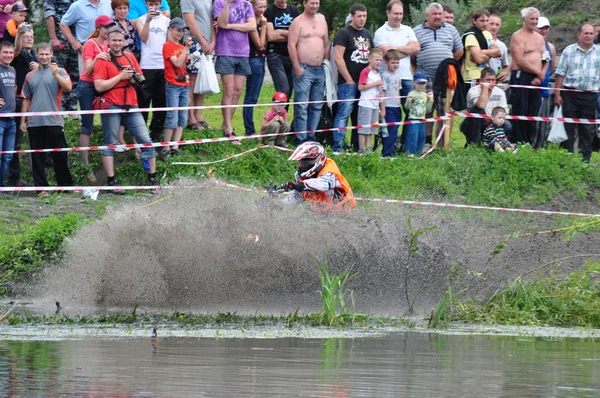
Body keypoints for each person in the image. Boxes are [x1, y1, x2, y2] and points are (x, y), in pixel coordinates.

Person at [93, 27, 158, 191]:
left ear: (124, 42)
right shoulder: (103, 59)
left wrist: (134, 78)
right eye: (114, 40)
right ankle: (111, 180)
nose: (117, 43)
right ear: (108, 41)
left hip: (131, 103)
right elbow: (99, 86)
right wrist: (120, 77)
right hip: (111, 103)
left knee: (146, 139)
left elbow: (140, 78)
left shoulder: (129, 57)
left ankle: (152, 178)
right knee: (110, 142)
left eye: (120, 40)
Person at [20, 43, 74, 197]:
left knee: (59, 155)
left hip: (54, 120)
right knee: (37, 157)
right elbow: (26, 99)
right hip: (35, 122)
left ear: (51, 54)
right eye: (41, 54)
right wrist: (23, 121)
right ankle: (41, 189)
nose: (44, 57)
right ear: (37, 54)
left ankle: (65, 186)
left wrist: (56, 74)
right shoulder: (30, 75)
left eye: (47, 54)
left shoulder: (61, 71)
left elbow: (68, 87)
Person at [413, 2, 463, 145]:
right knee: (426, 111)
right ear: (427, 15)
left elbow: (459, 52)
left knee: (445, 111)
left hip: (446, 78)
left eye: (440, 14)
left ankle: (442, 143)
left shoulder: (451, 30)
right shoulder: (416, 31)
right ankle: (426, 142)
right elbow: (412, 55)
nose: (437, 17)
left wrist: (445, 64)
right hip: (425, 77)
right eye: (434, 14)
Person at [554, 24, 600, 162]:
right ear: (578, 34)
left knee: (587, 129)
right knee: (568, 126)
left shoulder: (598, 53)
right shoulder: (569, 51)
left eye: (591, 33)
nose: (588, 36)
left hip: (590, 96)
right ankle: (566, 158)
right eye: (585, 33)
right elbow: (560, 74)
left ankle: (584, 159)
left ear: (595, 35)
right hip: (570, 94)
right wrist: (557, 94)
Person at [332, 3, 373, 154]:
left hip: (364, 84)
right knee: (344, 114)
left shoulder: (367, 34)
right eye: (359, 16)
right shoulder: (344, 33)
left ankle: (358, 147)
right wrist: (348, 79)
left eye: (364, 16)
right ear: (352, 16)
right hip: (348, 83)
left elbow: (371, 57)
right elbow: (338, 57)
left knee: (359, 116)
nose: (362, 19)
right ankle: (338, 147)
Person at [214, 0, 256, 144]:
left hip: (243, 52)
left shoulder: (247, 4)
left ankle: (226, 125)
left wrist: (230, 26)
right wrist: (227, 4)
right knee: (229, 90)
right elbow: (221, 22)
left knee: (238, 90)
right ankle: (229, 130)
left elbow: (252, 25)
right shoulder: (219, 3)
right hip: (226, 51)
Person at [79, 15, 115, 184]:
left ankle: (109, 157)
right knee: (87, 124)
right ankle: (85, 164)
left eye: (110, 27)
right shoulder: (90, 44)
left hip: (102, 84)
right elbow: (87, 70)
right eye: (106, 27)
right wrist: (99, 57)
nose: (108, 30)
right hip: (87, 86)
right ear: (99, 28)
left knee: (108, 117)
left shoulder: (108, 44)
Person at [288, 0, 329, 144]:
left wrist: (326, 63)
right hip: (303, 68)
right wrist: (297, 66)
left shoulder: (322, 19)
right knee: (302, 106)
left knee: (317, 106)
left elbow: (326, 43)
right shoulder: (297, 22)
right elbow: (291, 45)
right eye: (312, 3)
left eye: (317, 3)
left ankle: (311, 138)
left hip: (320, 69)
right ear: (304, 3)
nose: (315, 6)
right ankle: (301, 139)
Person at [509, 7, 548, 144]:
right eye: (532, 19)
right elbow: (519, 60)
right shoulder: (517, 36)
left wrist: (540, 75)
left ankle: (529, 142)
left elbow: (546, 58)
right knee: (520, 109)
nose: (534, 21)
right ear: (524, 20)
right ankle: (518, 141)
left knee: (533, 109)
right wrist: (537, 72)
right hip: (522, 75)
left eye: (536, 19)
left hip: (536, 78)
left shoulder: (540, 38)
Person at [281, 141, 356, 213]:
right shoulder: (301, 176)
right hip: (321, 211)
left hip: (341, 212)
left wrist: (299, 185)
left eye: (306, 163)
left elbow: (321, 185)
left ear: (320, 160)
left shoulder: (330, 173)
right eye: (301, 162)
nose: (302, 166)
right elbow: (297, 196)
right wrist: (279, 207)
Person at [7, 25, 38, 187]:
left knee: (38, 142)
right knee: (16, 143)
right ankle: (13, 178)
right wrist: (19, 34)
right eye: (26, 36)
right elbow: (16, 49)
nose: (30, 39)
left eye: (31, 37)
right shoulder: (17, 55)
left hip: (35, 103)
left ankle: (40, 177)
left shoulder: (35, 55)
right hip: (19, 103)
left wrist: (40, 68)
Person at [134, 0, 168, 143]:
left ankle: (156, 132)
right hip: (147, 64)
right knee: (143, 100)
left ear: (160, 4)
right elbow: (144, 38)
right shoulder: (140, 20)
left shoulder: (167, 21)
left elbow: (169, 41)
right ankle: (141, 133)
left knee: (160, 101)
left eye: (155, 4)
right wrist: (148, 20)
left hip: (162, 64)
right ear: (146, 4)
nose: (153, 7)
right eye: (150, 4)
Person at [181, 0, 215, 130]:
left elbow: (211, 22)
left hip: (208, 43)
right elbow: (190, 23)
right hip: (194, 42)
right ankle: (190, 117)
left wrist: (213, 41)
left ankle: (198, 114)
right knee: (192, 79)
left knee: (202, 78)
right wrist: (202, 42)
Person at [162, 18, 191, 159]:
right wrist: (186, 48)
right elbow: (178, 63)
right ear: (171, 29)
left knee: (182, 117)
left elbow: (185, 66)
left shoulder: (180, 47)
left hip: (184, 85)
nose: (180, 33)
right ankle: (166, 146)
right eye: (178, 30)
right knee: (172, 116)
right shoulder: (167, 46)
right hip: (173, 85)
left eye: (182, 31)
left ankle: (176, 145)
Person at [59, 0, 114, 75]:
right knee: (87, 77)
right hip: (86, 49)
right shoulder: (77, 5)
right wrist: (73, 42)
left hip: (107, 48)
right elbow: (63, 24)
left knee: (106, 77)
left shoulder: (108, 3)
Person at [44, 0, 80, 114]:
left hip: (76, 40)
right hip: (60, 41)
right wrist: (53, 38)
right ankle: (59, 109)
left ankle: (73, 109)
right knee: (58, 74)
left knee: (75, 75)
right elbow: (49, 17)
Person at [374, 0, 419, 84]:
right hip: (388, 77)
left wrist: (396, 48)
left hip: (407, 77)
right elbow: (388, 55)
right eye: (396, 13)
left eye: (400, 14)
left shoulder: (408, 30)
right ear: (388, 13)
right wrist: (408, 50)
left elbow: (416, 48)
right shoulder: (380, 32)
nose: (398, 17)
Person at [462, 67, 509, 145]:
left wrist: (493, 118)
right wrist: (485, 89)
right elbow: (481, 105)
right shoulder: (473, 91)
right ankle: (474, 144)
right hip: (472, 122)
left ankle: (498, 143)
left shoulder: (500, 92)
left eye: (493, 80)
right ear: (481, 80)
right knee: (478, 110)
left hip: (493, 121)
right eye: (488, 80)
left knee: (507, 124)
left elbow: (505, 111)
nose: (491, 82)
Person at [265, 0, 300, 102]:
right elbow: (271, 36)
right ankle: (274, 114)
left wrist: (280, 32)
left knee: (289, 90)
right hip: (275, 54)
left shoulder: (294, 10)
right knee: (283, 89)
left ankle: (281, 116)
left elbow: (299, 34)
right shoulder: (269, 11)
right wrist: (291, 35)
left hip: (291, 55)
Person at [243, 0, 267, 136]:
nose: (263, 10)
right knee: (250, 97)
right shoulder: (253, 22)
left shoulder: (260, 18)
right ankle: (250, 130)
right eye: (260, 7)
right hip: (253, 59)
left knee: (254, 97)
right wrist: (263, 26)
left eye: (264, 6)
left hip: (260, 59)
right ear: (252, 6)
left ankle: (250, 129)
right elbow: (260, 44)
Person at [532, 16, 556, 148]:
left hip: (544, 89)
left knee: (542, 122)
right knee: (529, 119)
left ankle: (540, 147)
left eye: (546, 28)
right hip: (530, 87)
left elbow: (552, 68)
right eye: (541, 28)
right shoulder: (529, 43)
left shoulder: (550, 47)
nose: (544, 31)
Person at [462, 9, 500, 89]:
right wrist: (490, 53)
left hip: (486, 75)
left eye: (487, 20)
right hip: (473, 75)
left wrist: (483, 52)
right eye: (482, 21)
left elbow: (498, 53)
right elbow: (478, 59)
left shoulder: (487, 34)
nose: (485, 23)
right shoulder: (470, 35)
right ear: (474, 21)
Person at [356, 47, 384, 153]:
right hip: (366, 103)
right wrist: (375, 83)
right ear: (370, 59)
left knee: (372, 130)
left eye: (380, 60)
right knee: (364, 129)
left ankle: (368, 151)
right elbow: (361, 87)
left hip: (375, 104)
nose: (379, 62)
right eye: (376, 60)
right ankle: (362, 150)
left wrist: (381, 89)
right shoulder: (365, 71)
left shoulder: (378, 73)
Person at [404, 72, 433, 155]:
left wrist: (431, 100)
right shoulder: (411, 93)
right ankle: (410, 154)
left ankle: (418, 153)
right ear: (414, 83)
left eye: (423, 83)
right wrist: (408, 102)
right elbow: (407, 107)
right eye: (419, 83)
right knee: (412, 136)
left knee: (422, 136)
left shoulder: (425, 95)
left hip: (422, 119)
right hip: (413, 118)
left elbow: (428, 108)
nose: (421, 85)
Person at [0, 41, 16, 188]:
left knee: (8, 156)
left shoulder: (12, 70)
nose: (8, 55)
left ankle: (2, 185)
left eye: (10, 53)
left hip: (11, 119)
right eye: (5, 52)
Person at [381, 49, 402, 157]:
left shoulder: (398, 76)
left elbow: (398, 90)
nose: (395, 65)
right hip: (388, 107)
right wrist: (383, 108)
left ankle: (391, 150)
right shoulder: (385, 75)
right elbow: (382, 92)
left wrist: (399, 103)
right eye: (393, 62)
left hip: (396, 106)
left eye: (397, 62)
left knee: (395, 130)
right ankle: (387, 154)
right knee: (391, 131)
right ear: (386, 62)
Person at [486, 14, 509, 83]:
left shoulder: (502, 46)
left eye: (497, 24)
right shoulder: (479, 41)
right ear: (486, 23)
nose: (494, 27)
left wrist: (504, 73)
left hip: (495, 81)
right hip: (481, 80)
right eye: (491, 24)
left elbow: (505, 65)